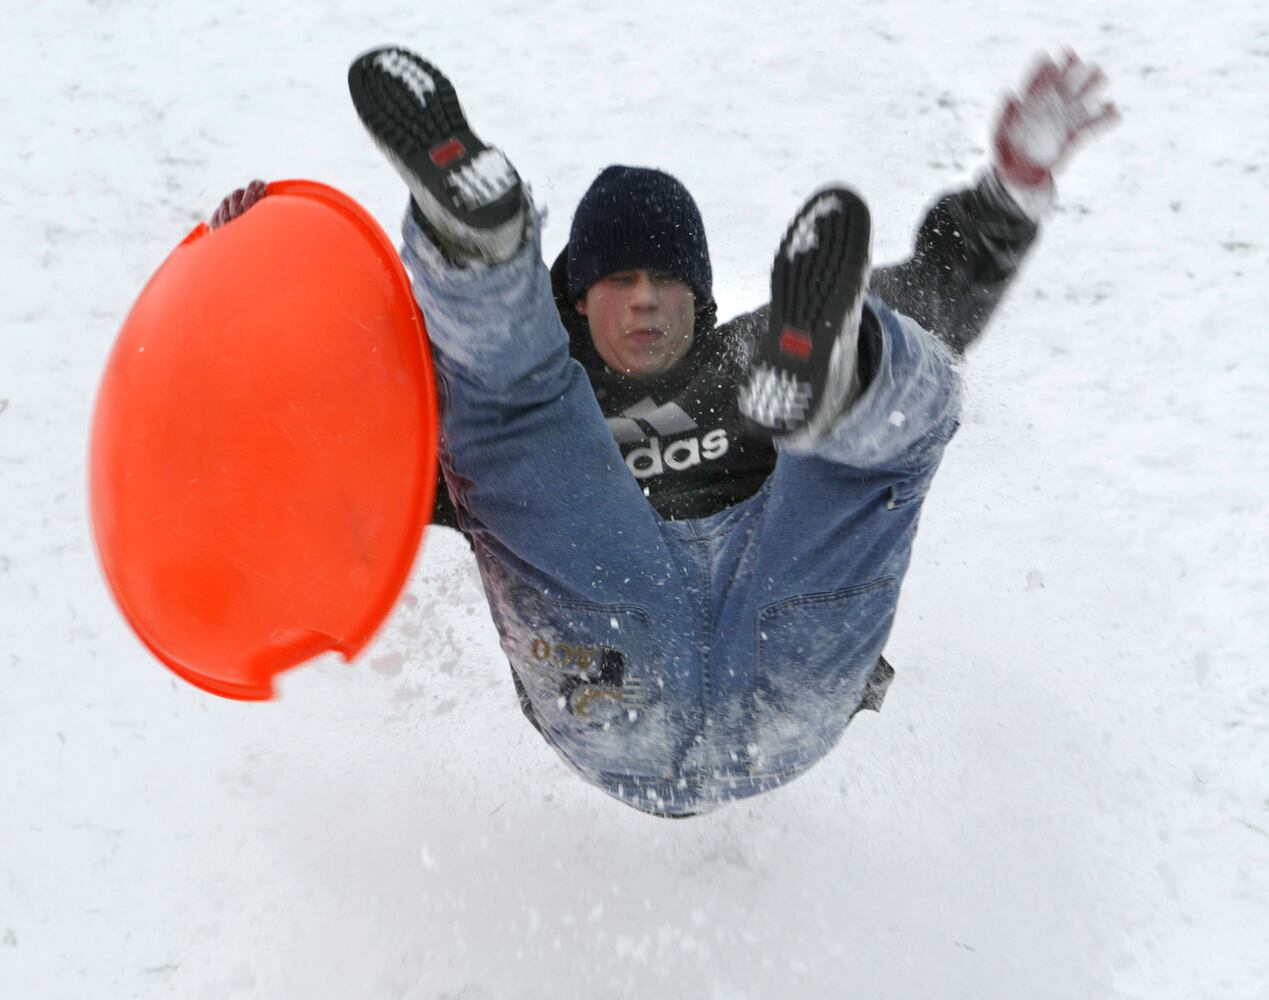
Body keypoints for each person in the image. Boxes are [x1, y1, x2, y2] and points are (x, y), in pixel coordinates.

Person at [214, 48, 1115, 816]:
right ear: (577, 297)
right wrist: (260, 289)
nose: (645, 298)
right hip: (610, 675)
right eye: (619, 279)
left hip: (786, 664)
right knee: (497, 410)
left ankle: (847, 370)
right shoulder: (545, 414)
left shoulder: (758, 361)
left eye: (667, 279)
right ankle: (474, 247)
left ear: (701, 294)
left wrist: (1013, 187)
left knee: (901, 385)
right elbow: (335, 456)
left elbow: (942, 287)